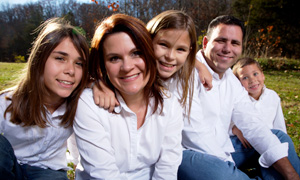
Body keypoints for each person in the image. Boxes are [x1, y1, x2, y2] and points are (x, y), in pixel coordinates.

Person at [178, 15, 300, 180]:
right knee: (220, 173)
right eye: (221, 40)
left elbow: (252, 124)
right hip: (188, 153)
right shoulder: (188, 71)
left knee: (279, 138)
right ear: (206, 43)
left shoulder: (231, 79)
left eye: (235, 43)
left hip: (225, 147)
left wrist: (291, 174)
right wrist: (228, 165)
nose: (228, 49)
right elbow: (194, 134)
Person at [73, 13, 183, 179]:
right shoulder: (88, 104)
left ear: (149, 54)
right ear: (103, 66)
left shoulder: (169, 103)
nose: (127, 66)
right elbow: (105, 175)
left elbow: (167, 169)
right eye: (114, 58)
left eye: (136, 53)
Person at [0, 17, 89, 180]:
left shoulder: (80, 103)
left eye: (79, 63)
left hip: (48, 171)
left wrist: (75, 163)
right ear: (40, 59)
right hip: (10, 166)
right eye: (60, 58)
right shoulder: (6, 101)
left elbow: (79, 139)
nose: (71, 70)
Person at [91, 10, 212, 114]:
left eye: (180, 49)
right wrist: (97, 83)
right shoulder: (130, 79)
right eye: (163, 45)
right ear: (147, 41)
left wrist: (199, 65)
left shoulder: (187, 78)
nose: (170, 56)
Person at [230, 57, 287, 149]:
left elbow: (279, 126)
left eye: (255, 74)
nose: (252, 80)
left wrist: (282, 142)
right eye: (245, 78)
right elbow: (222, 123)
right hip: (244, 144)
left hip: (269, 140)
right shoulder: (235, 99)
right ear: (238, 82)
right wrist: (234, 129)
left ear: (263, 75)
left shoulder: (272, 96)